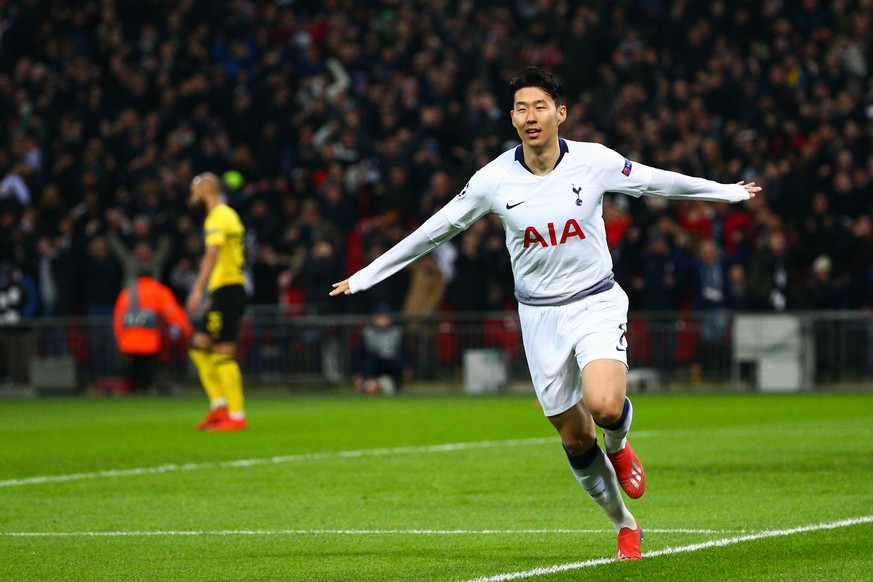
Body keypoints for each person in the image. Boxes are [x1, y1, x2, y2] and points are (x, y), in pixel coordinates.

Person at [330, 67, 760, 561]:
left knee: (602, 406)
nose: (530, 116)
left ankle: (619, 445)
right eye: (520, 108)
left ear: (560, 113)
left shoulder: (594, 161)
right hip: (539, 318)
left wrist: (725, 190)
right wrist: (365, 275)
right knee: (575, 436)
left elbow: (654, 181)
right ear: (511, 119)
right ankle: (625, 524)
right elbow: (435, 230)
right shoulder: (493, 179)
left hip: (595, 300)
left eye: (539, 106)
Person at [186, 172, 248, 431]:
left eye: (194, 191)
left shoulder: (218, 216)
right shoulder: (227, 214)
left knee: (223, 351)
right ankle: (219, 405)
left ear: (204, 190)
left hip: (227, 289)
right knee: (200, 347)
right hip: (224, 290)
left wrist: (197, 290)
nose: (192, 197)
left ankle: (236, 415)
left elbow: (212, 254)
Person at [112, 272, 193, 394]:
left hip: (129, 339)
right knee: (147, 367)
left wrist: (119, 337)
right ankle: (145, 389)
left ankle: (134, 391)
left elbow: (118, 317)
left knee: (134, 366)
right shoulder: (158, 290)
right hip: (148, 339)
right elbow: (172, 311)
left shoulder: (127, 292)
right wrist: (187, 330)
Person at [353, 303, 411, 396]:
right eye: (380, 317)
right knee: (371, 358)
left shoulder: (397, 332)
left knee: (398, 363)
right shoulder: (367, 333)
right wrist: (359, 373)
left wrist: (406, 366)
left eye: (386, 317)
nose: (383, 320)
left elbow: (403, 351)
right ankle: (369, 384)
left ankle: (387, 383)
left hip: (391, 363)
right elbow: (360, 354)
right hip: (374, 365)